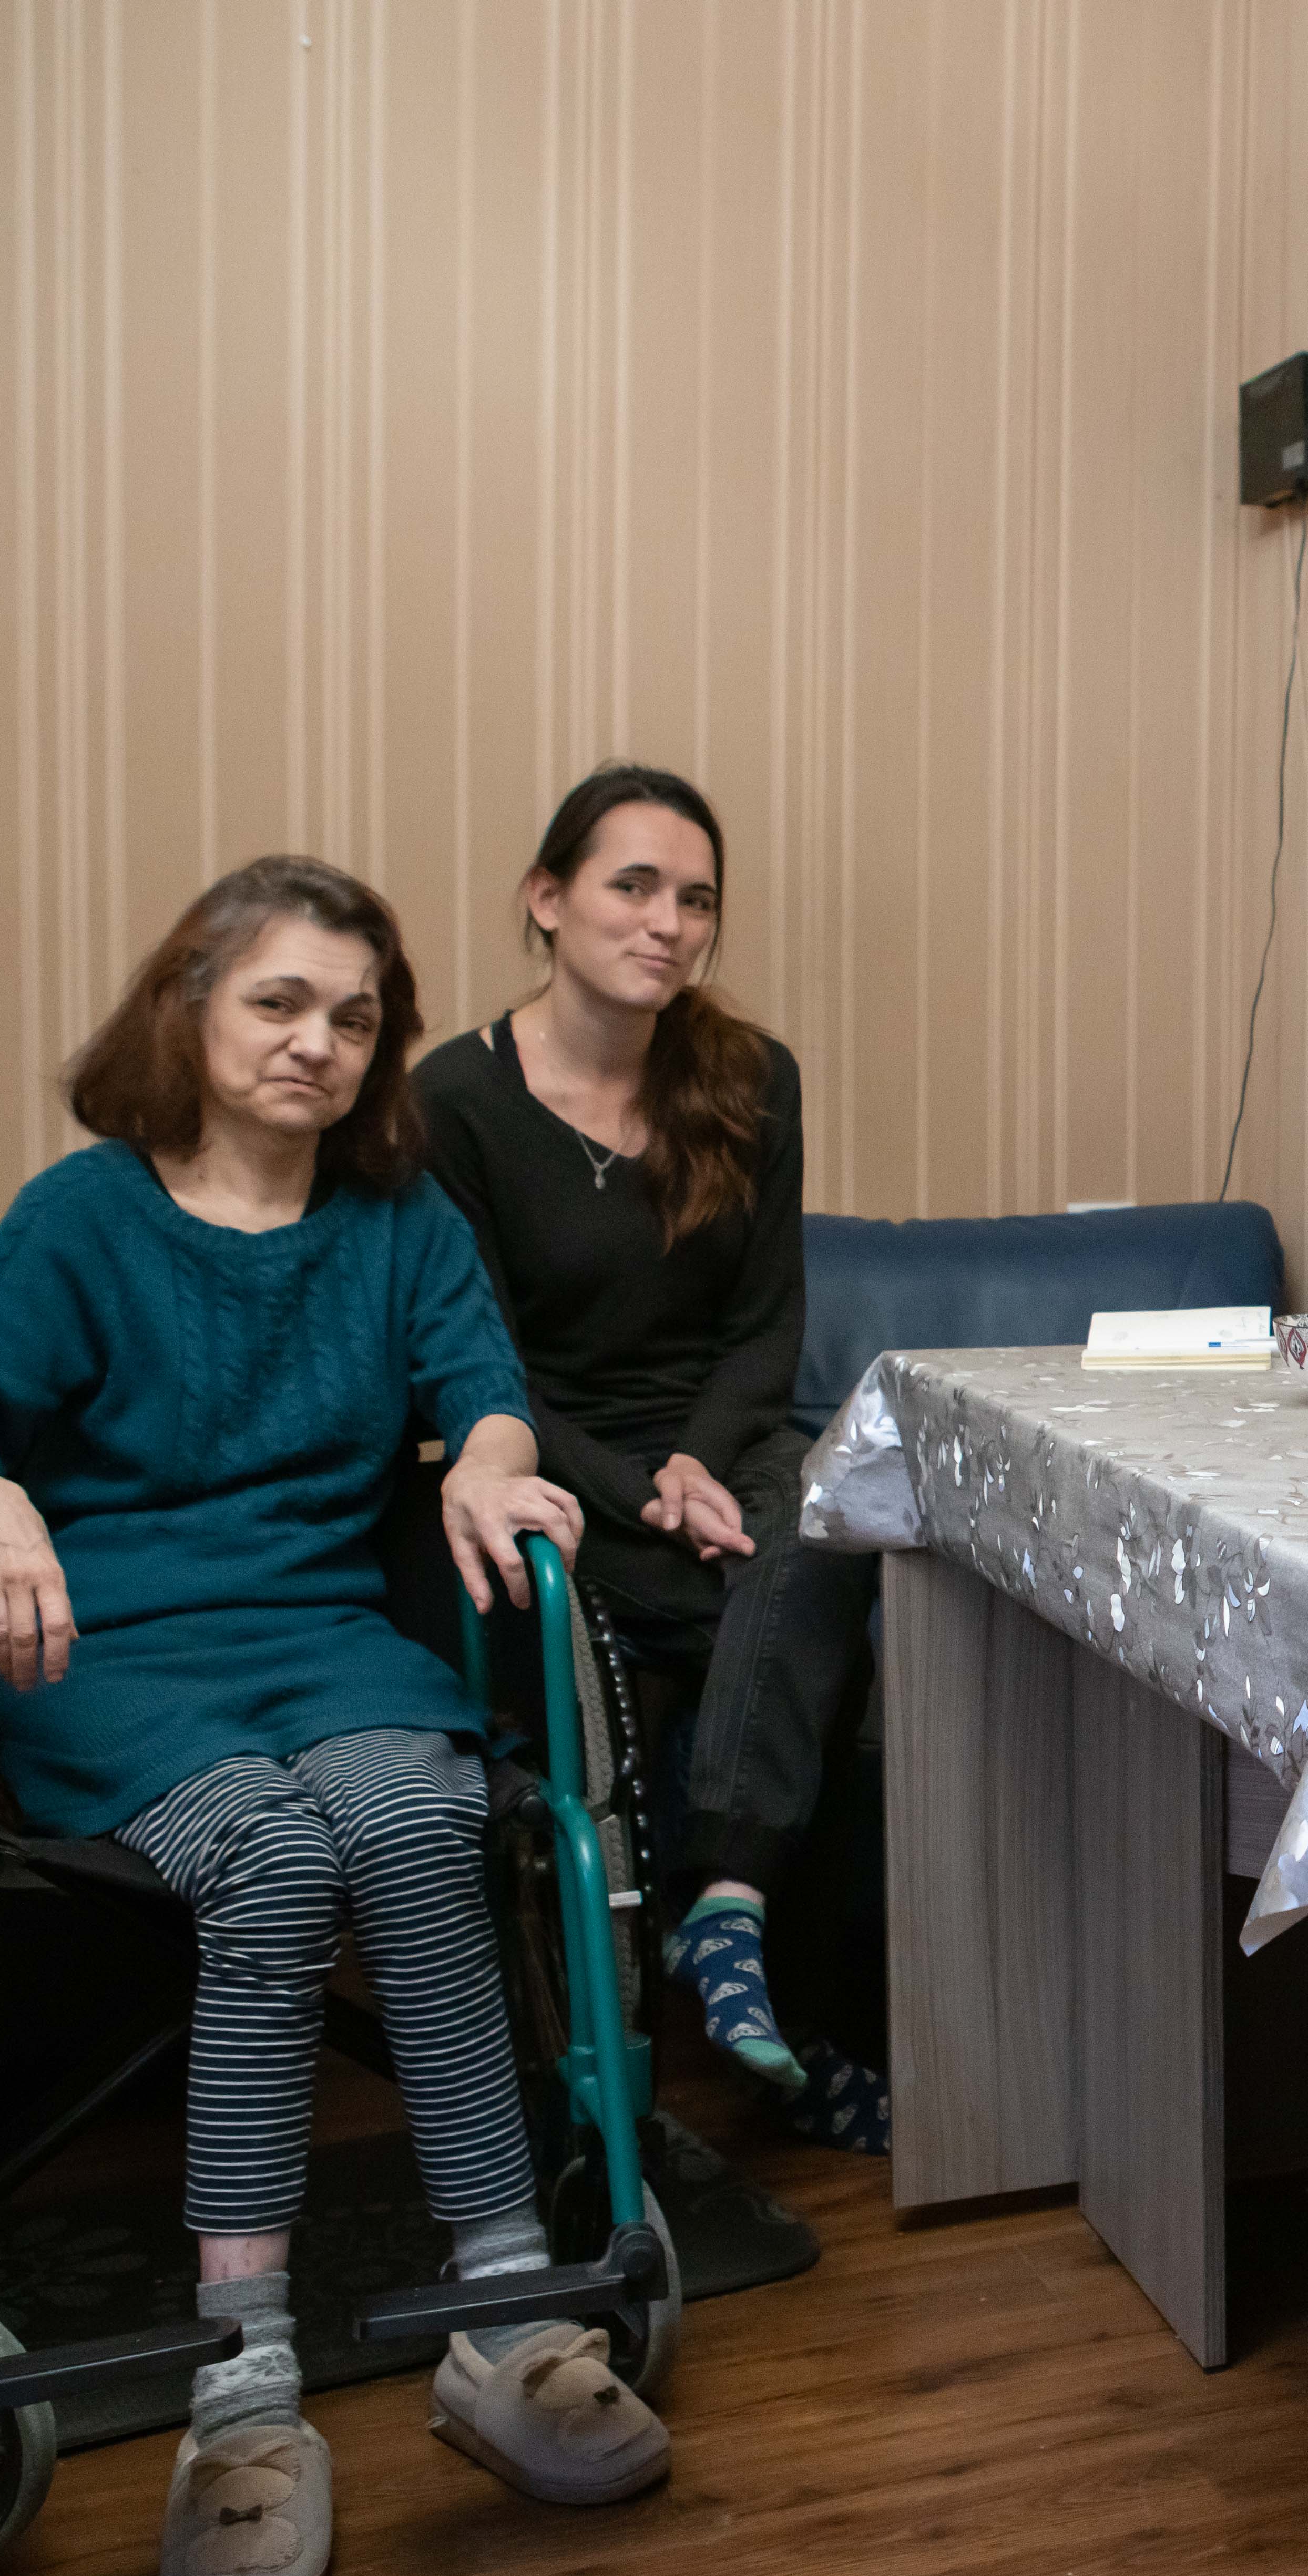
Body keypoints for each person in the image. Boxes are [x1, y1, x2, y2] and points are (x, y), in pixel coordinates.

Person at [0, 857, 673, 2576]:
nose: (321, 1041)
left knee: (417, 1823)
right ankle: (244, 2386)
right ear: (195, 1010)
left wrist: (503, 1475)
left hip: (323, 1639)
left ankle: (506, 2311)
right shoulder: (85, 1216)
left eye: (356, 1016)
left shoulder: (397, 1225)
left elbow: (488, 1402)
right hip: (119, 1657)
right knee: (280, 1863)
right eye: (281, 1001)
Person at [415, 766, 886, 2152]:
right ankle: (781, 2035)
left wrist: (693, 1461)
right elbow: (476, 1357)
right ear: (547, 901)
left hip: (723, 1447)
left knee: (835, 1524)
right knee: (813, 1656)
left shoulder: (750, 1078)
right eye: (633, 886)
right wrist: (636, 1487)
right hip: (547, 1465)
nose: (668, 923)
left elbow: (765, 1325)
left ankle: (726, 1912)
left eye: (697, 899)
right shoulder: (454, 1102)